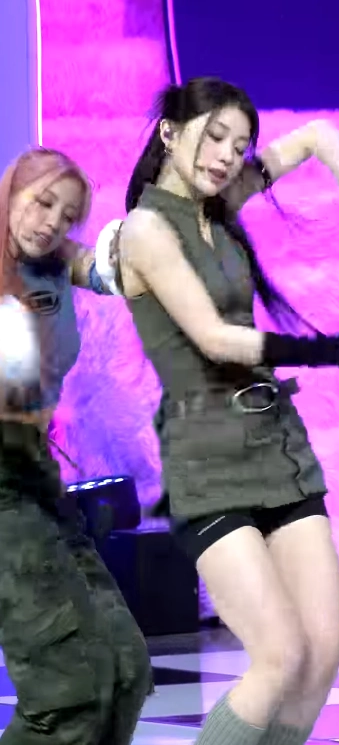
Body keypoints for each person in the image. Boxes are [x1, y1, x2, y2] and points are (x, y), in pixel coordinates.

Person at [116, 76, 339, 745]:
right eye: (214, 136)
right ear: (169, 132)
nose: (227, 155)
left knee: (321, 652)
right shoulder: (145, 230)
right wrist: (321, 349)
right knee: (278, 656)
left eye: (240, 144)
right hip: (206, 455)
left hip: (276, 442)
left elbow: (319, 135)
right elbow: (214, 338)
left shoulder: (222, 205)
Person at [0, 147, 151, 745]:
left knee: (125, 670)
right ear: (11, 192)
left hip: (36, 473)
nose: (50, 224)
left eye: (66, 216)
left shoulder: (58, 261)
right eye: (42, 204)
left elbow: (120, 271)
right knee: (69, 691)